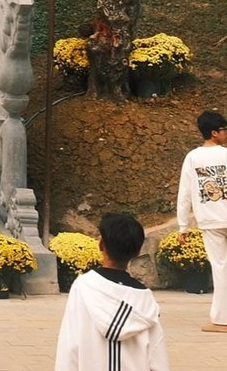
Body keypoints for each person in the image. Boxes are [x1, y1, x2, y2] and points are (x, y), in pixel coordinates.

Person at [55, 212, 169, 371]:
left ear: (101, 244)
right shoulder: (145, 298)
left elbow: (69, 345)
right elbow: (157, 356)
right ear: (137, 252)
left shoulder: (84, 286)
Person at [176, 107, 227, 331]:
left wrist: (183, 226)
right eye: (224, 129)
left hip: (211, 221)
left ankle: (221, 320)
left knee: (220, 268)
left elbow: (184, 193)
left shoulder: (193, 158)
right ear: (214, 133)